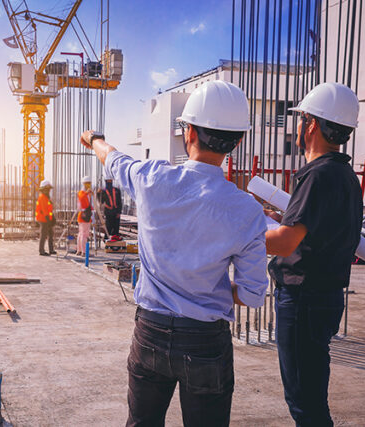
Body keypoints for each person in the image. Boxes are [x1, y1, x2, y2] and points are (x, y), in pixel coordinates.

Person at [80, 81, 268, 426]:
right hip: (206, 342)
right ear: (237, 141)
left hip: (150, 331)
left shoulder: (153, 179)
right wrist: (204, 289)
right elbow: (254, 295)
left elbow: (113, 158)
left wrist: (94, 139)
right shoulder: (246, 210)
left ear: (189, 132)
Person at [264, 82, 362, 426]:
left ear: (312, 124)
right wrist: (282, 221)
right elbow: (317, 231)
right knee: (310, 395)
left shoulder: (317, 175)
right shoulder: (344, 175)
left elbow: (285, 243)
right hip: (324, 296)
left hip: (303, 298)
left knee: (304, 402)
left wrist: (239, 235)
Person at [35, 179, 57, 256]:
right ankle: (41, 251)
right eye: (47, 189)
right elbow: (44, 210)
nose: (48, 191)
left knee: (51, 234)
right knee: (43, 234)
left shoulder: (47, 197)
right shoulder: (42, 197)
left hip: (47, 218)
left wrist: (52, 217)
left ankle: (51, 249)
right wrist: (48, 219)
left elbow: (49, 209)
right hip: (43, 219)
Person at [97, 177, 122, 241]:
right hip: (108, 212)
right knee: (108, 227)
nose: (109, 181)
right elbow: (101, 201)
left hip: (116, 211)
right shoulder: (103, 191)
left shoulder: (116, 190)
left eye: (110, 180)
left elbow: (119, 202)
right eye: (108, 180)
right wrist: (98, 194)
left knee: (116, 227)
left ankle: (116, 240)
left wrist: (119, 212)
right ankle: (106, 239)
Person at [76, 176, 93, 256]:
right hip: (84, 216)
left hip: (85, 215)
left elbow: (88, 204)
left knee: (81, 233)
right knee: (84, 234)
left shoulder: (86, 194)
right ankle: (84, 252)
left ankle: (79, 250)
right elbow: (82, 198)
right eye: (87, 184)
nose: (88, 185)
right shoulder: (82, 193)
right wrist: (87, 193)